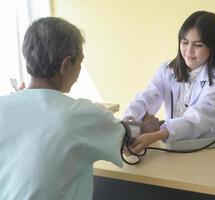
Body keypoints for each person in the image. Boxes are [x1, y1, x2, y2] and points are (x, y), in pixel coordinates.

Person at [0, 17, 158, 199]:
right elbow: (129, 134)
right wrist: (150, 127)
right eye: (80, 62)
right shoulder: (79, 114)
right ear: (65, 65)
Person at [124, 11, 215, 154]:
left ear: (212, 46)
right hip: (173, 147)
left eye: (198, 45)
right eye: (185, 42)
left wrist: (158, 134)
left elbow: (196, 120)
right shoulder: (167, 70)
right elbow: (145, 98)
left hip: (205, 151)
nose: (188, 51)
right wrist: (127, 125)